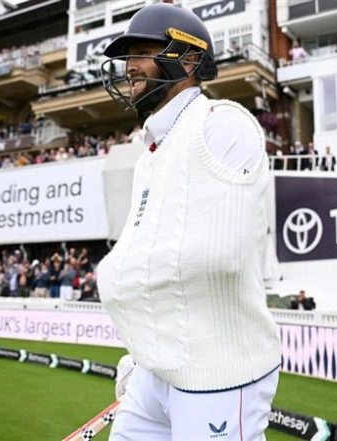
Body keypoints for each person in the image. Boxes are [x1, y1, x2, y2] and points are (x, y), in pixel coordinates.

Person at [97, 4, 281, 439]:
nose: (130, 66)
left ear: (190, 59)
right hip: (153, 369)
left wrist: (116, 282)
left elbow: (218, 257)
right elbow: (143, 254)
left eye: (143, 52)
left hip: (219, 373)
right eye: (128, 56)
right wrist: (143, 349)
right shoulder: (149, 155)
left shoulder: (222, 124)